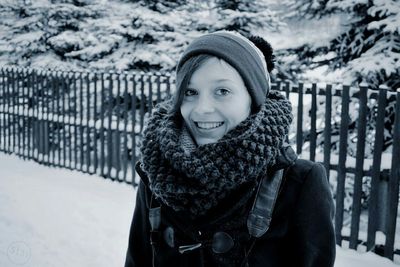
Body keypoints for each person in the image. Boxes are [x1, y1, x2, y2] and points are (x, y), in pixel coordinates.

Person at [124, 31, 336, 267]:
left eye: (222, 91)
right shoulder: (158, 172)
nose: (202, 109)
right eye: (190, 92)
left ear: (253, 97)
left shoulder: (299, 183)